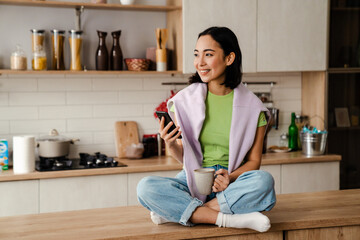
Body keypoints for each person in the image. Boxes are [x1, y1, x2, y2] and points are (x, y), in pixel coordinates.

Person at [137, 26, 276, 232]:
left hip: (230, 180)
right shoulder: (184, 102)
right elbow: (184, 158)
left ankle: (181, 211)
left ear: (229, 58)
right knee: (145, 187)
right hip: (194, 176)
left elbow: (254, 162)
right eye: (196, 55)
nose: (199, 62)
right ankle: (229, 219)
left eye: (208, 54)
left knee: (264, 181)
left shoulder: (254, 108)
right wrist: (169, 143)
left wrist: (229, 177)